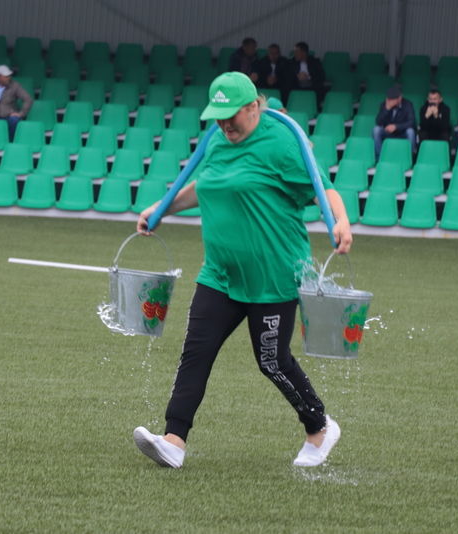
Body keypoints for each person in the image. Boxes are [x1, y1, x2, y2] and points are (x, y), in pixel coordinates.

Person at [132, 72, 353, 469]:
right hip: (220, 273)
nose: (224, 125)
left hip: (273, 277)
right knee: (195, 353)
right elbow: (206, 185)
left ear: (254, 106)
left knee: (272, 361)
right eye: (217, 117)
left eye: (231, 116)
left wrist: (340, 220)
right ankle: (173, 440)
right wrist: (161, 209)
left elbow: (324, 187)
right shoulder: (217, 140)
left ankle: (319, 427)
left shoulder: (283, 142)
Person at [373, 86, 416, 159]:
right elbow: (378, 122)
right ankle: (380, 158)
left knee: (410, 131)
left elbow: (411, 122)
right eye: (389, 99)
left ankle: (410, 157)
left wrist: (396, 127)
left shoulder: (408, 105)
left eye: (393, 99)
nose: (390, 101)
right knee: (376, 130)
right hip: (388, 132)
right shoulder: (384, 104)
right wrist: (387, 109)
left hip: (402, 132)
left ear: (400, 98)